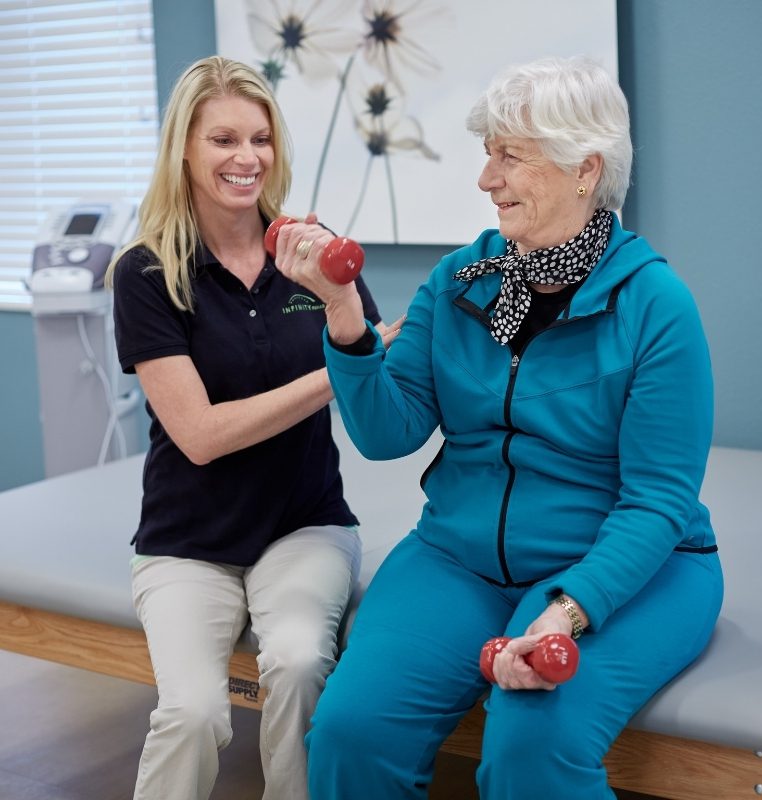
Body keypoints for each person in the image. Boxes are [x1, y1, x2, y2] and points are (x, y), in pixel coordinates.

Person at [272, 56, 724, 798]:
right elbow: (389, 432)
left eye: (509, 156)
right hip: (459, 560)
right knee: (352, 731)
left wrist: (566, 611)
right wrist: (344, 316)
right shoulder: (460, 281)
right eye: (489, 153)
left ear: (585, 169)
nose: (486, 179)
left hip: (628, 568)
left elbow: (657, 502)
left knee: (531, 748)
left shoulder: (656, 306)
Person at [105, 55, 399, 800]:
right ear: (184, 149)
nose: (247, 159)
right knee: (195, 712)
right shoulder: (146, 273)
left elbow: (375, 373)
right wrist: (337, 371)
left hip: (305, 524)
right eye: (224, 140)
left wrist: (346, 317)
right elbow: (200, 434)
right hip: (187, 540)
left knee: (300, 663)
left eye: (260, 139)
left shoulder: (315, 253)